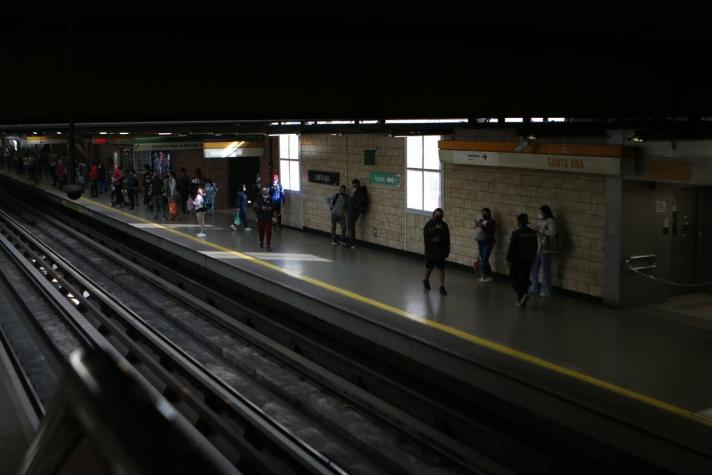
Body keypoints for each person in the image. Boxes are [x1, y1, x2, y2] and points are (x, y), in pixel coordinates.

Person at [506, 213, 538, 307]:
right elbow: (535, 246)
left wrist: (508, 259)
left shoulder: (516, 233)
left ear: (518, 222)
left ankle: (522, 293)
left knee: (513, 277)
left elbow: (512, 247)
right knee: (525, 278)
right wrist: (533, 257)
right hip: (529, 259)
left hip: (517, 259)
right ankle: (521, 300)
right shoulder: (532, 232)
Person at [529, 205, 559, 297]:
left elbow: (553, 233)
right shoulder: (541, 221)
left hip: (546, 248)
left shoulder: (551, 221)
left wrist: (542, 231)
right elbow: (537, 229)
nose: (539, 214)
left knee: (546, 268)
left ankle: (546, 289)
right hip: (539, 247)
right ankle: (534, 287)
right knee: (535, 267)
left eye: (541, 212)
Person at [423, 208, 450, 296]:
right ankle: (426, 280)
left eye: (440, 214)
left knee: (441, 269)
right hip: (431, 250)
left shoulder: (444, 225)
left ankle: (442, 286)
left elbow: (447, 239)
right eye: (437, 214)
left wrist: (447, 250)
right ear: (434, 214)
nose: (438, 216)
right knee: (429, 267)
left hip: (441, 251)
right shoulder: (429, 224)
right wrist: (436, 230)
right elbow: (426, 236)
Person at [475, 208, 496, 282]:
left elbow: (490, 231)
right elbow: (477, 229)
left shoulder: (492, 222)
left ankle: (485, 276)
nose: (484, 215)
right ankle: (489, 275)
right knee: (484, 259)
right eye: (483, 213)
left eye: (485, 213)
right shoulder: (482, 221)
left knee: (484, 259)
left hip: (488, 242)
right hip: (480, 241)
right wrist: (477, 225)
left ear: (489, 213)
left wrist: (482, 226)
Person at [345, 178, 368, 248]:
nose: (353, 186)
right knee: (351, 227)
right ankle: (351, 241)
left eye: (354, 184)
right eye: (353, 184)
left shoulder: (359, 191)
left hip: (353, 211)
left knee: (351, 227)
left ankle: (352, 243)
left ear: (357, 184)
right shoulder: (358, 191)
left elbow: (359, 202)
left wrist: (352, 203)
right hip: (353, 211)